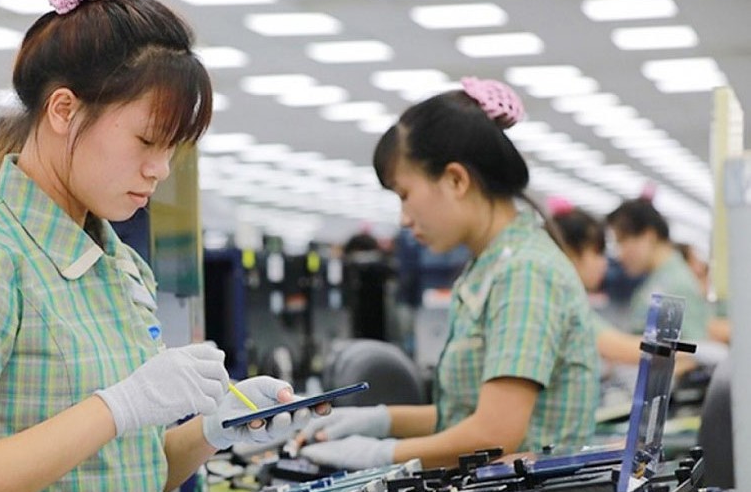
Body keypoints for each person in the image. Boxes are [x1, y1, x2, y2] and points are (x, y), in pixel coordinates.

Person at [0, 0, 319, 492]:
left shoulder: (123, 267)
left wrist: (214, 429)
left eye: (172, 149)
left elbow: (131, 473)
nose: (159, 169)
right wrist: (116, 406)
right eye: (146, 140)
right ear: (64, 111)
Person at [295, 77, 601, 471]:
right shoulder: (491, 266)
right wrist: (381, 420)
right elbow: (465, 417)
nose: (404, 219)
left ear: (456, 179)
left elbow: (494, 435)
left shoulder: (523, 272)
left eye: (405, 194)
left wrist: (381, 455)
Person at [552, 206, 698, 377]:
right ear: (571, 254)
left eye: (622, 241)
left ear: (649, 237)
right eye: (597, 253)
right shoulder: (567, 304)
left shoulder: (674, 283)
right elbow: (623, 347)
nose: (613, 259)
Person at [605, 197, 711, 343]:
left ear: (649, 236)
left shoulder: (675, 286)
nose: (620, 254)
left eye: (622, 241)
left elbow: (688, 357)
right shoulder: (659, 280)